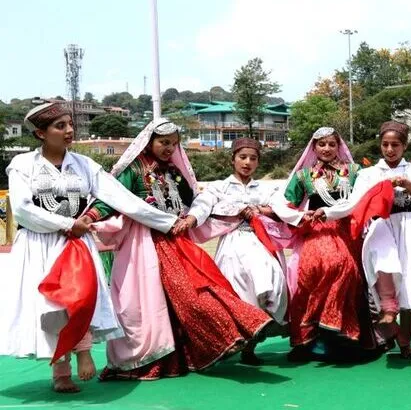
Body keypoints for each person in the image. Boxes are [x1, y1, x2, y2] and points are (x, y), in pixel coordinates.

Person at [0, 103, 178, 392]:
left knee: (80, 301)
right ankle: (61, 372)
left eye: (70, 124)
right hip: (38, 244)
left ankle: (82, 355)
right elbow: (21, 209)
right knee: (50, 308)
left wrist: (167, 222)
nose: (69, 130)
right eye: (60, 126)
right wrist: (67, 224)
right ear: (40, 133)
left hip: (76, 245)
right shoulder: (22, 165)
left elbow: (121, 197)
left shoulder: (84, 165)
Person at [92, 118, 272, 380]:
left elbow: (196, 201)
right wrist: (91, 217)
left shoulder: (174, 172)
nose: (169, 148)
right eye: (164, 142)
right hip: (143, 243)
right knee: (149, 304)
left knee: (194, 292)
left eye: (174, 144)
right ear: (149, 141)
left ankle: (231, 331)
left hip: (176, 241)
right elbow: (112, 200)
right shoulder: (132, 170)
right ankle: (147, 362)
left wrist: (191, 218)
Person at [320, 121, 411, 358]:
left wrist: (409, 185)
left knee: (409, 281)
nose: (390, 149)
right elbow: (354, 203)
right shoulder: (368, 174)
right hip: (382, 224)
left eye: (395, 145)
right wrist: (327, 212)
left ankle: (404, 340)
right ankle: (388, 309)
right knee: (383, 259)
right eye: (385, 144)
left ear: (404, 146)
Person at [279, 127, 383, 361]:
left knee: (351, 276)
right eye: (321, 144)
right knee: (313, 276)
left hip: (349, 231)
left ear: (339, 146)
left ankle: (347, 338)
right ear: (313, 147)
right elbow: (287, 203)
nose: (326, 149)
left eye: (331, 144)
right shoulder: (303, 176)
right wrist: (295, 216)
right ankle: (308, 339)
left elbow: (363, 200)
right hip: (317, 231)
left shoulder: (355, 172)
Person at [184, 137, 288, 365]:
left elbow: (281, 207)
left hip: (260, 243)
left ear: (258, 162)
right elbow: (203, 205)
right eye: (242, 157)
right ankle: (243, 345)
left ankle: (253, 340)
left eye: (253, 158)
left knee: (273, 283)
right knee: (239, 294)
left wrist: (260, 210)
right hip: (232, 245)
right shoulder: (218, 187)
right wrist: (236, 210)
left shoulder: (265, 188)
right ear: (232, 160)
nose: (247, 162)